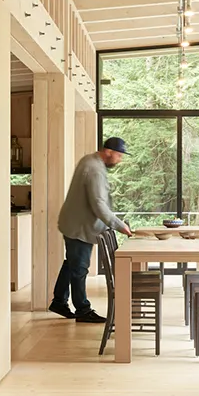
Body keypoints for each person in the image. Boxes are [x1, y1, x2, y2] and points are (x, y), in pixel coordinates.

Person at [48, 136, 133, 323]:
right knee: (79, 268)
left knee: (71, 264)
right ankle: (82, 310)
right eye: (119, 155)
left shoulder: (89, 160)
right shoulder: (95, 170)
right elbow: (98, 205)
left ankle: (59, 302)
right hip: (80, 226)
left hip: (73, 222)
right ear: (108, 152)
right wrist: (120, 226)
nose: (120, 160)